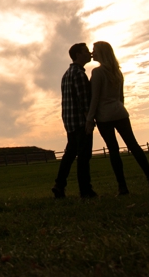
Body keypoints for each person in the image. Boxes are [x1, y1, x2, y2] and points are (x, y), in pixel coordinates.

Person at [85, 41, 149, 195]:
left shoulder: (98, 73)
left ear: (102, 53)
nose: (92, 53)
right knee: (134, 145)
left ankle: (122, 187)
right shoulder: (117, 72)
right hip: (120, 112)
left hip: (104, 117)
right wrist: (119, 108)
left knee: (114, 150)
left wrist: (90, 119)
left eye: (95, 50)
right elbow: (121, 97)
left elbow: (95, 99)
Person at [52, 43, 97, 199]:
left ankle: (59, 185)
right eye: (86, 52)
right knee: (84, 157)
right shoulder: (79, 74)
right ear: (78, 54)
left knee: (69, 155)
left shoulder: (66, 74)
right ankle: (85, 190)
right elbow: (84, 101)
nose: (90, 54)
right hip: (80, 122)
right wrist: (89, 120)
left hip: (69, 122)